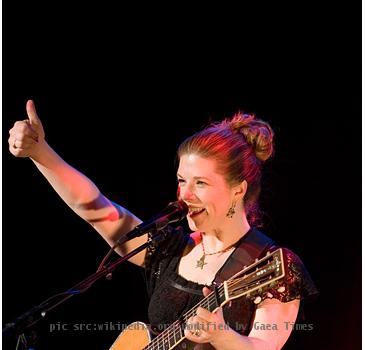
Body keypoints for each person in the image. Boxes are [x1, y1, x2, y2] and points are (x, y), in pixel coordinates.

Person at [8, 100, 317, 350]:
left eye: (200, 183)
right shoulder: (170, 248)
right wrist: (40, 153)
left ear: (239, 188)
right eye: (182, 180)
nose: (184, 194)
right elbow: (94, 207)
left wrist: (223, 336)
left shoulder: (271, 263)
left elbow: (265, 345)